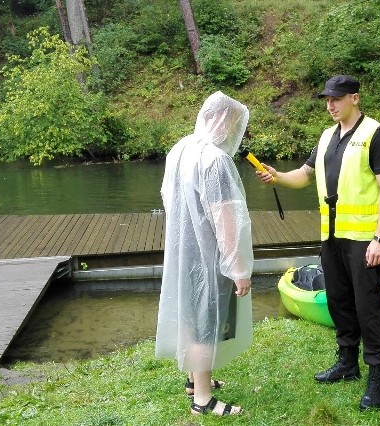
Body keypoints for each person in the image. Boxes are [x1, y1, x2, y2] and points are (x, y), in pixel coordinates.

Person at [257, 75, 380, 411]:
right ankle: (347, 363)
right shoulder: (326, 137)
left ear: (355, 98)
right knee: (339, 302)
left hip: (364, 240)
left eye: (337, 99)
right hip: (331, 238)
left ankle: (377, 378)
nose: (331, 105)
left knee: (369, 309)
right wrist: (277, 176)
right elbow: (304, 175)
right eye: (327, 100)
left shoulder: (375, 135)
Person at [155, 91, 254, 416]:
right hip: (207, 257)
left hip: (183, 253)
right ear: (223, 121)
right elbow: (226, 218)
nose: (232, 132)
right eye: (235, 124)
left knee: (190, 318)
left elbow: (167, 198)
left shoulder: (181, 149)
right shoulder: (214, 160)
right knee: (206, 324)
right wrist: (238, 267)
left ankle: (194, 380)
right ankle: (203, 400)